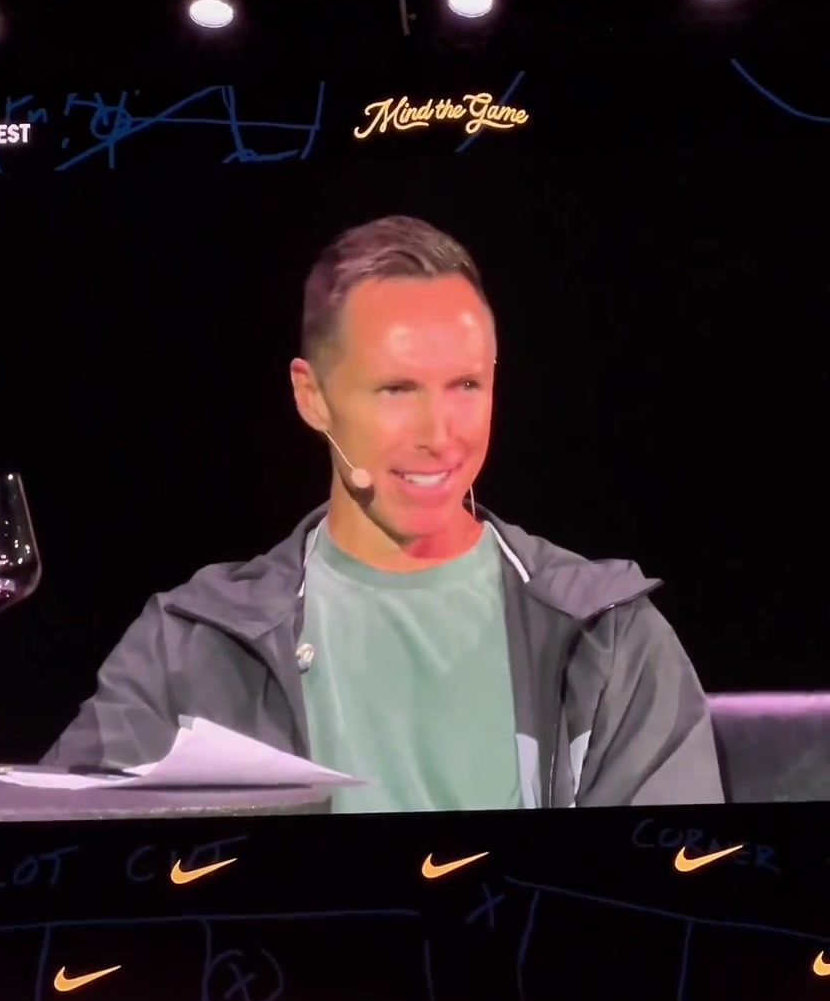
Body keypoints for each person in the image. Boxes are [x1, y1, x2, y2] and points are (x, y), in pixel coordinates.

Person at [42, 214, 723, 811]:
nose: (439, 434)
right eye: (397, 389)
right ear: (312, 397)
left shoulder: (608, 637)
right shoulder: (192, 643)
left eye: (465, 385)